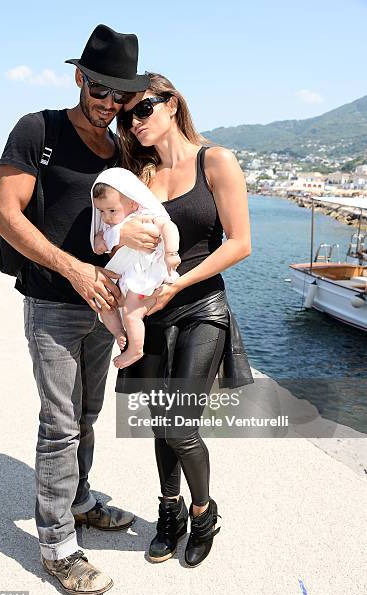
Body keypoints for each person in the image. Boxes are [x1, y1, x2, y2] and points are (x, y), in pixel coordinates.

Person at [0, 25, 160, 595]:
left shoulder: (122, 150)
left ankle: (81, 499)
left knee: (86, 417)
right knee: (61, 425)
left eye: (121, 97)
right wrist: (75, 269)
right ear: (78, 77)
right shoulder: (38, 129)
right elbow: (6, 217)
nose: (110, 105)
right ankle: (58, 543)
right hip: (54, 302)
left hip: (105, 306)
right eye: (100, 90)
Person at [115, 73, 253, 567]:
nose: (134, 123)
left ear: (171, 104)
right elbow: (110, 227)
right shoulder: (140, 174)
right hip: (151, 314)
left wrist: (179, 283)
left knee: (180, 426)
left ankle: (202, 512)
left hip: (201, 308)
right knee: (160, 424)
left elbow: (239, 243)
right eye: (127, 117)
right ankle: (167, 512)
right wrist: (123, 232)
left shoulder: (215, 160)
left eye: (143, 110)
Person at [90, 167, 180, 368]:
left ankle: (136, 349)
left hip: (144, 273)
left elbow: (168, 227)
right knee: (103, 304)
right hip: (122, 273)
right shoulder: (110, 224)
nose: (106, 217)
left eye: (112, 210)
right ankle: (118, 333)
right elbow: (99, 244)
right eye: (101, 211)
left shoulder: (146, 214)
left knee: (133, 312)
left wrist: (171, 253)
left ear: (132, 202)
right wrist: (100, 240)